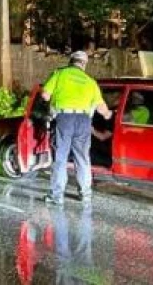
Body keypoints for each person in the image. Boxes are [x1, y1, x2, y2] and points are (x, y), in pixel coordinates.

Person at [41, 51, 112, 205]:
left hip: (65, 119)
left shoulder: (60, 74)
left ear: (71, 61)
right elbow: (102, 108)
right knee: (83, 157)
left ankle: (56, 196)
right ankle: (85, 194)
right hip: (84, 121)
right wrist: (108, 115)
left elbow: (45, 95)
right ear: (84, 64)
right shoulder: (90, 81)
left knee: (61, 157)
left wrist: (53, 103)